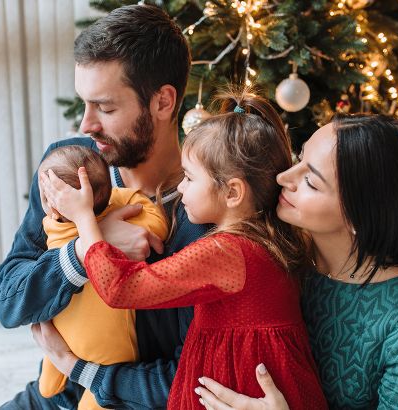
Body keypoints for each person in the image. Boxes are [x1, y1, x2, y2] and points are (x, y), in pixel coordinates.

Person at [39, 90, 328, 410]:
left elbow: (122, 289)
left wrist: (83, 220)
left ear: (232, 192)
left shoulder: (224, 252)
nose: (180, 188)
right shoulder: (267, 241)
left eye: (190, 178)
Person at [0, 4, 209, 409]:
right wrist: (83, 251)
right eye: (84, 103)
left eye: (106, 108)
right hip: (51, 398)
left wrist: (76, 367)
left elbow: (186, 382)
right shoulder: (68, 166)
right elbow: (8, 300)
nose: (85, 126)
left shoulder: (201, 214)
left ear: (164, 102)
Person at [194, 114, 398, 409]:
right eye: (299, 157)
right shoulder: (276, 253)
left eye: (310, 181)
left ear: (360, 216)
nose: (283, 178)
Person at [34, 145, 168, 409]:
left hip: (65, 330)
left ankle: (53, 379)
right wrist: (102, 223)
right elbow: (157, 225)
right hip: (108, 348)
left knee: (52, 372)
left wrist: (87, 223)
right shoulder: (124, 214)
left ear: (53, 206)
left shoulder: (52, 225)